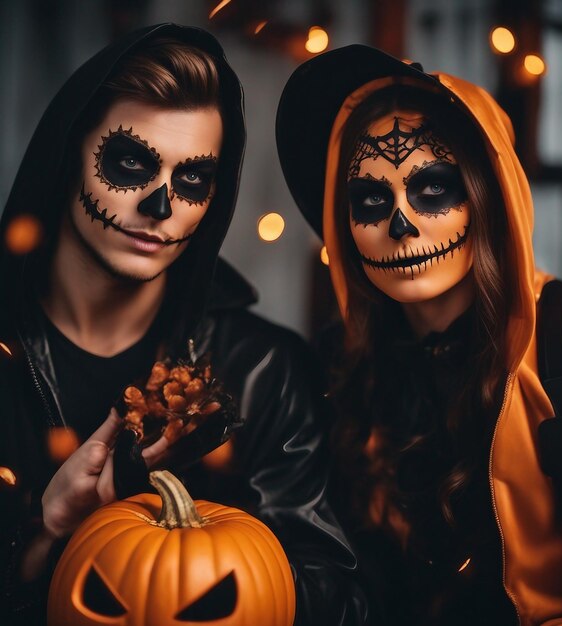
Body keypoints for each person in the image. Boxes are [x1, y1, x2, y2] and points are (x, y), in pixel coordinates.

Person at [0, 24, 367, 626]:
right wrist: (44, 537)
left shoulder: (263, 372)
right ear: (69, 154)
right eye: (130, 162)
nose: (161, 205)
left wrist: (206, 559)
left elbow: (341, 603)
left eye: (192, 179)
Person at [276, 44, 562, 626]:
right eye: (369, 198)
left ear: (488, 197)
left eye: (433, 187)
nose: (401, 223)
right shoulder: (341, 362)